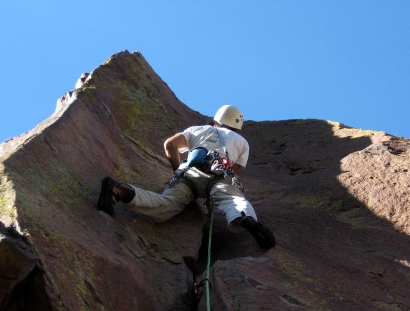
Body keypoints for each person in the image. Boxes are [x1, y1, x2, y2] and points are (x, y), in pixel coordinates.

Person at [96, 105, 276, 250]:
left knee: (166, 204)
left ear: (216, 121)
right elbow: (233, 172)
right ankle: (243, 218)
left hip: (188, 173)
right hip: (219, 174)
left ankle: (118, 190)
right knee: (233, 200)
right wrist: (211, 194)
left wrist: (177, 171)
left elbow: (170, 145)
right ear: (237, 128)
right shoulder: (241, 142)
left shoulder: (198, 129)